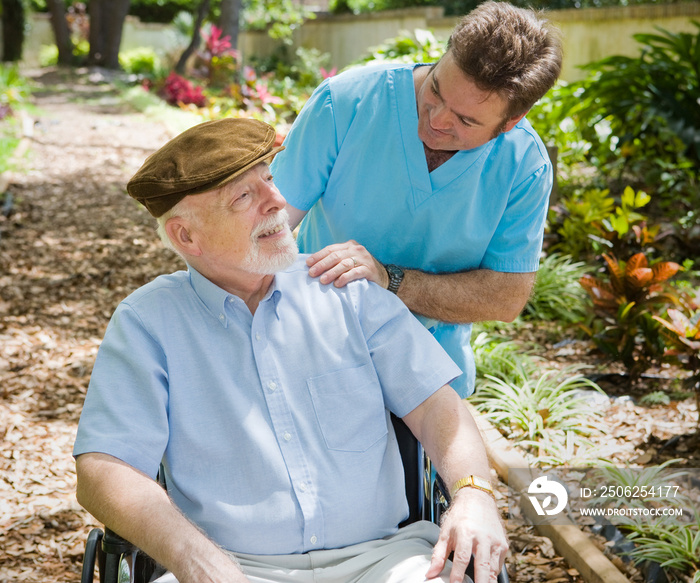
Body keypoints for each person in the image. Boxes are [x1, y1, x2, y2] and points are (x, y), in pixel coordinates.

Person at [73, 118, 508, 583]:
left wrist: (474, 493)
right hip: (231, 568)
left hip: (385, 561)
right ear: (186, 237)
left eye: (269, 180)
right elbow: (103, 468)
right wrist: (194, 559)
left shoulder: (345, 289)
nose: (277, 202)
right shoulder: (148, 323)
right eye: (244, 197)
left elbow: (437, 405)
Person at [269, 1, 563, 397]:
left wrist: (388, 279)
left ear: (511, 122)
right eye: (436, 90)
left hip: (433, 374)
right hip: (311, 348)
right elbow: (265, 226)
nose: (437, 119)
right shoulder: (344, 101)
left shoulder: (524, 165)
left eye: (465, 120)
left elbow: (505, 296)